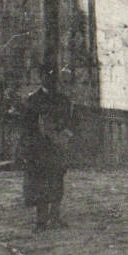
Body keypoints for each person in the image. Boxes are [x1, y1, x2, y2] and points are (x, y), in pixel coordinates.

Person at [18, 65, 74, 230]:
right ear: (41, 78)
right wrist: (28, 147)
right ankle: (41, 221)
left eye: (52, 77)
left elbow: (70, 121)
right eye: (45, 77)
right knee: (40, 184)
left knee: (57, 181)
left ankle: (55, 217)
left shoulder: (62, 99)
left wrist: (64, 136)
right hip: (40, 148)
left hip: (57, 147)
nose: (49, 80)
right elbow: (27, 126)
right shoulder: (33, 100)